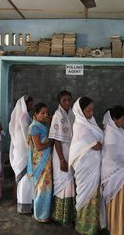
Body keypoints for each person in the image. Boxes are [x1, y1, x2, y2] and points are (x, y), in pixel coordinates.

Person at [69, 97, 104, 235]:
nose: (91, 113)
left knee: (94, 194)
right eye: (88, 110)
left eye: (92, 110)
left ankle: (93, 226)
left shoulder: (90, 121)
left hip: (93, 164)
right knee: (85, 194)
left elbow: (98, 138)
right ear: (80, 111)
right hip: (85, 166)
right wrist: (100, 141)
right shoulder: (79, 125)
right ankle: (84, 226)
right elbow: (96, 145)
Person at [100, 106, 124, 235]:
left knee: (122, 203)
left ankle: (120, 228)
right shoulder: (110, 133)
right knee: (119, 204)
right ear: (115, 119)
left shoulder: (117, 130)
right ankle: (119, 230)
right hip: (114, 172)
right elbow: (112, 156)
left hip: (120, 170)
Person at [49, 90, 75, 226]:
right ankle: (62, 217)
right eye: (64, 100)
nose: (67, 103)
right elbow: (56, 140)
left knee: (71, 184)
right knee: (63, 184)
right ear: (59, 101)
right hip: (61, 154)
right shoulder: (58, 115)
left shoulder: (72, 114)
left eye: (69, 100)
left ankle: (70, 215)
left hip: (71, 153)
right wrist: (62, 160)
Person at [27, 102, 53, 222]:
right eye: (42, 113)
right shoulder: (34, 127)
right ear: (35, 114)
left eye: (46, 113)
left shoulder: (44, 125)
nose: (45, 115)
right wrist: (50, 143)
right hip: (40, 162)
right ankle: (40, 215)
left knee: (46, 187)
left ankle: (44, 213)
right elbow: (38, 147)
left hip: (46, 160)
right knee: (42, 187)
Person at [9, 95, 34, 213]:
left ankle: (20, 200)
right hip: (24, 150)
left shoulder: (22, 116)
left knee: (21, 176)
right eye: (29, 104)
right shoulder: (24, 117)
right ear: (24, 104)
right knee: (24, 177)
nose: (31, 106)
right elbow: (26, 136)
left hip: (20, 149)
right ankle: (24, 204)